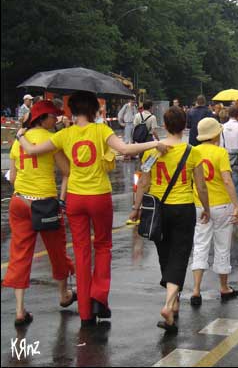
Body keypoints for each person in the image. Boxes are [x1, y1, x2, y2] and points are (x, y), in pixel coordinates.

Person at [16, 91, 166, 327]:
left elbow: (33, 151)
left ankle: (85, 311)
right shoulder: (101, 131)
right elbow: (126, 150)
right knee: (103, 246)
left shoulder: (65, 134)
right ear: (95, 110)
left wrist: (21, 136)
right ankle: (99, 296)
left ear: (72, 111)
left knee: (81, 250)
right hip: (98, 196)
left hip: (75, 198)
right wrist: (156, 142)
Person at [129, 106, 210, 333]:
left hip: (158, 209)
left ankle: (172, 306)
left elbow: (143, 182)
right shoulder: (193, 152)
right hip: (183, 208)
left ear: (164, 126)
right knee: (180, 255)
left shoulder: (153, 151)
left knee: (165, 254)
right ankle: (168, 305)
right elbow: (201, 186)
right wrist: (206, 208)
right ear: (185, 126)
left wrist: (136, 208)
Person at [5, 101, 76, 326]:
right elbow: (67, 172)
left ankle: (19, 310)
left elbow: (13, 178)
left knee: (19, 254)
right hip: (44, 204)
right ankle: (64, 294)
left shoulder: (18, 142)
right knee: (57, 250)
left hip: (19, 202)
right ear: (43, 118)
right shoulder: (51, 140)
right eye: (53, 117)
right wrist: (62, 200)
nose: (55, 120)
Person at [190, 118, 238, 306]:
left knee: (200, 245)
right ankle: (224, 287)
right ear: (215, 135)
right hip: (221, 205)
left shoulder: (193, 151)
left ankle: (196, 290)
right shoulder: (220, 153)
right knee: (222, 246)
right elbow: (228, 180)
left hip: (199, 205)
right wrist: (236, 205)